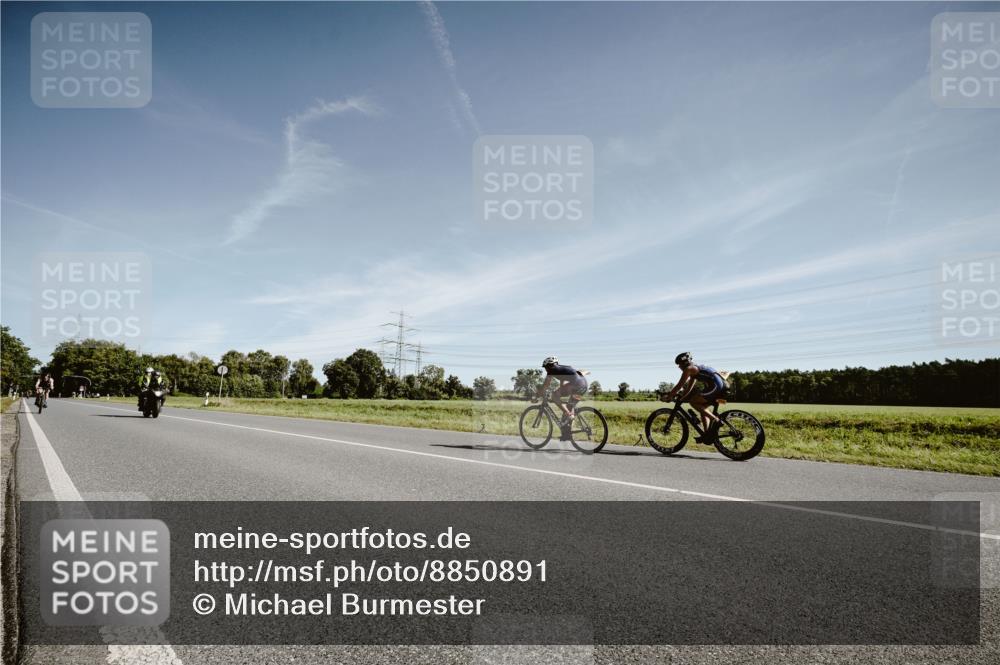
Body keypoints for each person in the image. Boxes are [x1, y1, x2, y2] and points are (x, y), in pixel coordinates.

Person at [660, 352, 729, 443]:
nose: (679, 367)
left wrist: (669, 397)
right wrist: (682, 398)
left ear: (683, 364)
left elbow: (679, 385)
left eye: (679, 365)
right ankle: (707, 434)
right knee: (702, 409)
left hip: (715, 386)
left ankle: (715, 420)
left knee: (693, 402)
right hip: (721, 386)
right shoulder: (695, 368)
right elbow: (689, 387)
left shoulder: (688, 369)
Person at [537, 357, 589, 440]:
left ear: (550, 365)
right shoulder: (562, 369)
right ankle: (567, 434)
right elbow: (562, 383)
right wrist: (559, 396)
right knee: (569, 407)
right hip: (583, 386)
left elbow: (546, 385)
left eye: (545, 367)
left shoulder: (552, 369)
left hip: (576, 385)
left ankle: (569, 414)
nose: (546, 369)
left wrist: (539, 394)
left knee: (554, 396)